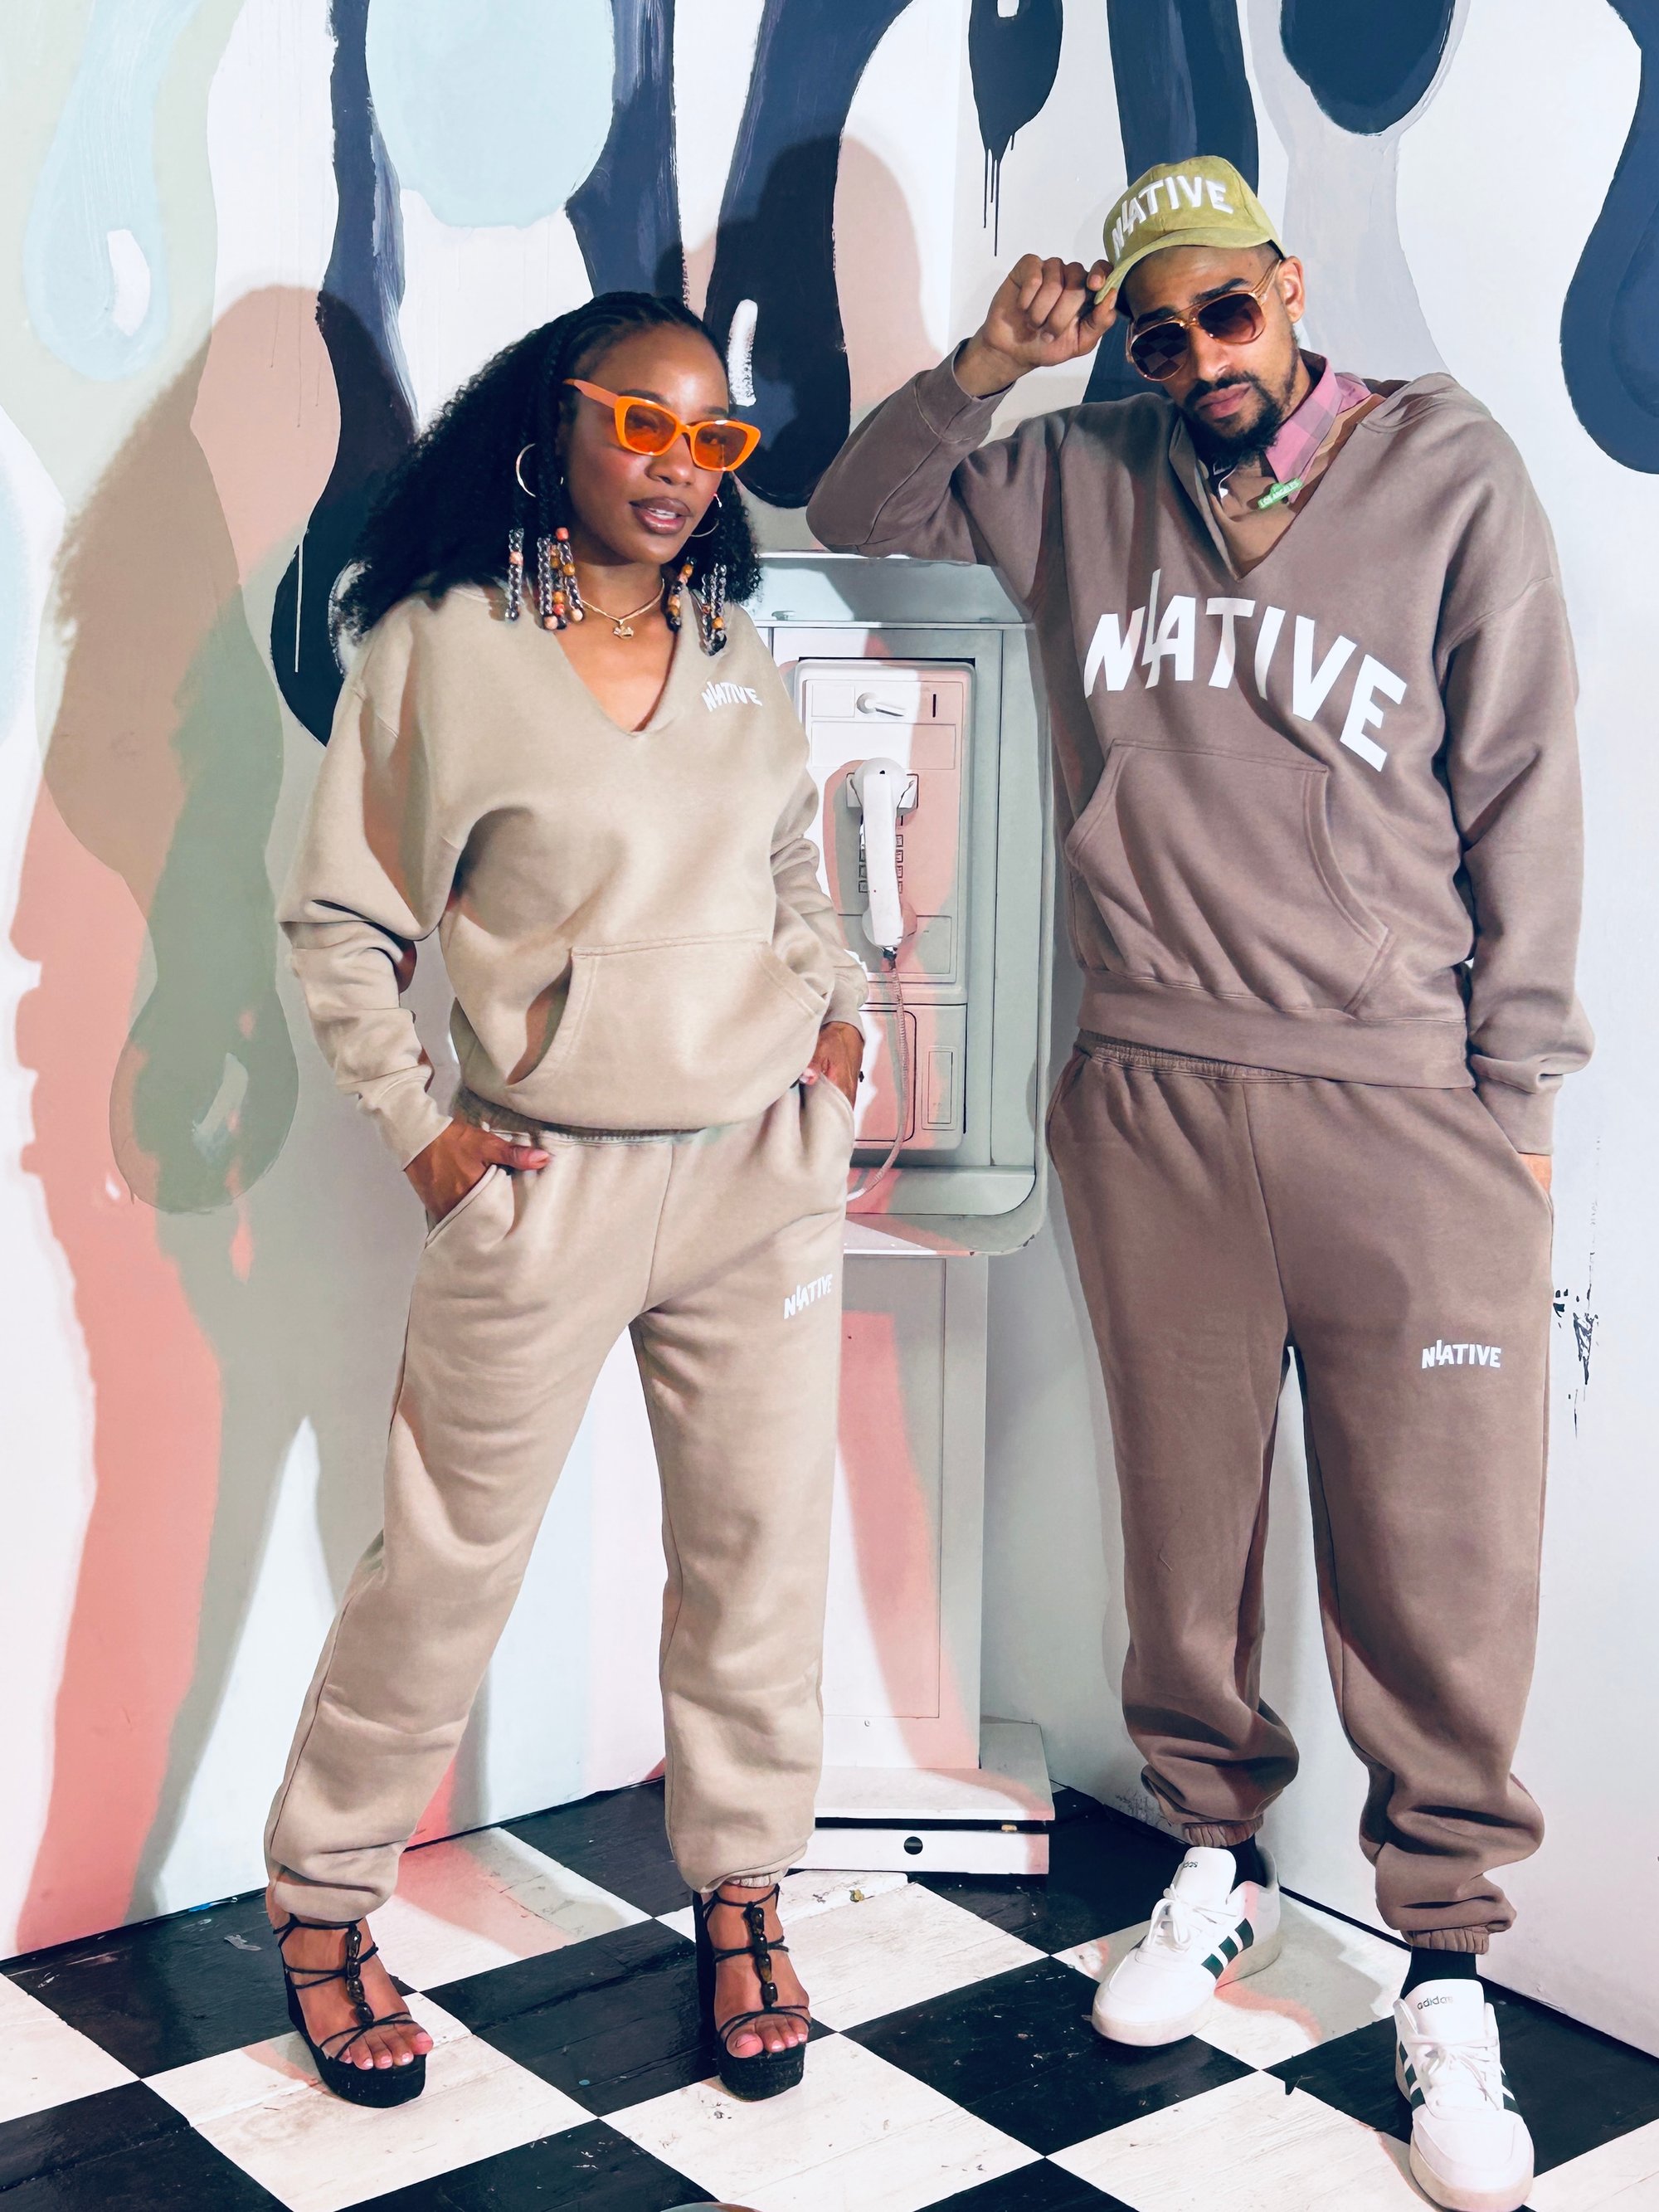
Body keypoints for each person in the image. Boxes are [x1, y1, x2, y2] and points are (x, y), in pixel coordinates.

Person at [808, 158, 1589, 2212]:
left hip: (1400, 1102)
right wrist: (991, 363)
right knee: (1181, 1526)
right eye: (1157, 337)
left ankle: (1444, 1967)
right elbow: (861, 512)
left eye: (1224, 313)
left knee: (1440, 1556)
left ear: (1287, 285)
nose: (1197, 360)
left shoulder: (1444, 470)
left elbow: (1523, 781)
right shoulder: (1079, 474)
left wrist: (1518, 1091)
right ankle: (1213, 1862)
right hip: (1148, 1084)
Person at [265, 291, 866, 2109]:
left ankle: (743, 1892)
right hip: (543, 1178)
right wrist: (420, 1130)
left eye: (714, 437)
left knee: (756, 1556)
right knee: (445, 1567)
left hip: (757, 1175)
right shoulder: (442, 648)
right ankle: (323, 1899)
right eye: (643, 422)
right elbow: (343, 918)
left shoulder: (738, 650)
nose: (680, 466)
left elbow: (795, 867)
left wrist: (833, 1033)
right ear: (557, 425)